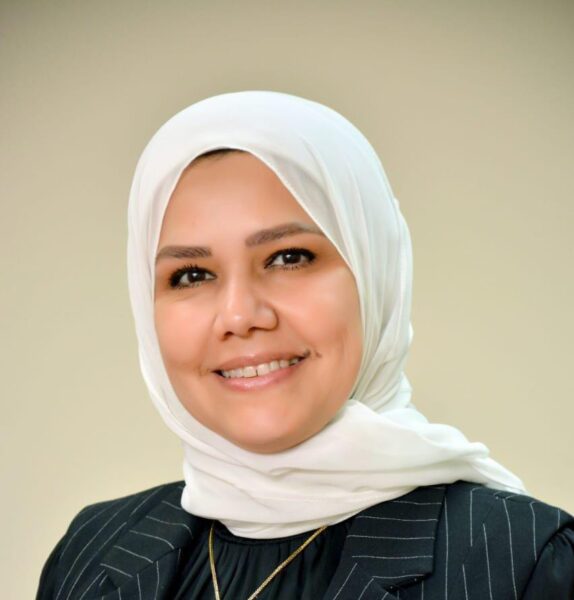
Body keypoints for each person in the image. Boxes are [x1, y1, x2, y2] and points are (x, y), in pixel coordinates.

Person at [36, 91, 574, 599]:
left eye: (288, 258)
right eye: (192, 274)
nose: (240, 316)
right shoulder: (92, 552)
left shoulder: (520, 560)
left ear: (374, 272)